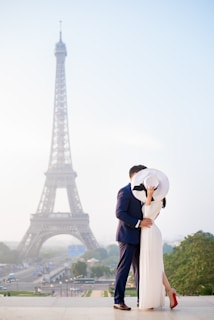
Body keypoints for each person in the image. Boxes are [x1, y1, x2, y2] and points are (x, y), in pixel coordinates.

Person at [132, 169, 178, 310]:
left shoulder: (157, 200)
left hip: (151, 233)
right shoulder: (154, 200)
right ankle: (170, 291)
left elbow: (146, 214)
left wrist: (149, 195)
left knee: (153, 265)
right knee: (155, 266)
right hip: (149, 233)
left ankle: (168, 292)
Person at [113, 165, 153, 311]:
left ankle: (141, 300)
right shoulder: (125, 191)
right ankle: (118, 301)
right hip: (127, 235)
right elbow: (119, 213)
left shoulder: (143, 192)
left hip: (141, 236)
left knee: (140, 270)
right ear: (134, 176)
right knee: (123, 269)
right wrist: (139, 223)